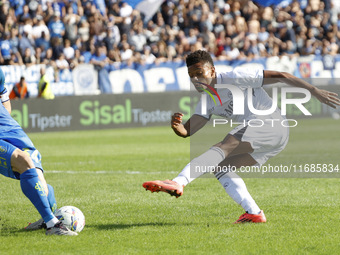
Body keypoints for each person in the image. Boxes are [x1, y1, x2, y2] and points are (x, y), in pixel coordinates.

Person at [143, 50, 340, 223]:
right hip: (274, 140)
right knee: (221, 167)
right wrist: (177, 127)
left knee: (224, 145)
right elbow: (188, 131)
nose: (196, 80)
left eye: (199, 74)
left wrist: (314, 90)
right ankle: (254, 213)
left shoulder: (235, 77)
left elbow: (281, 75)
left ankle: (179, 181)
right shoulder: (206, 101)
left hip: (270, 122)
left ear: (212, 70)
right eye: (191, 76)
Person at [0, 68, 76, 235]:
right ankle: (52, 225)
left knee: (41, 181)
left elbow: (3, 96)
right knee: (24, 160)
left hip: (11, 130)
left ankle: (45, 218)